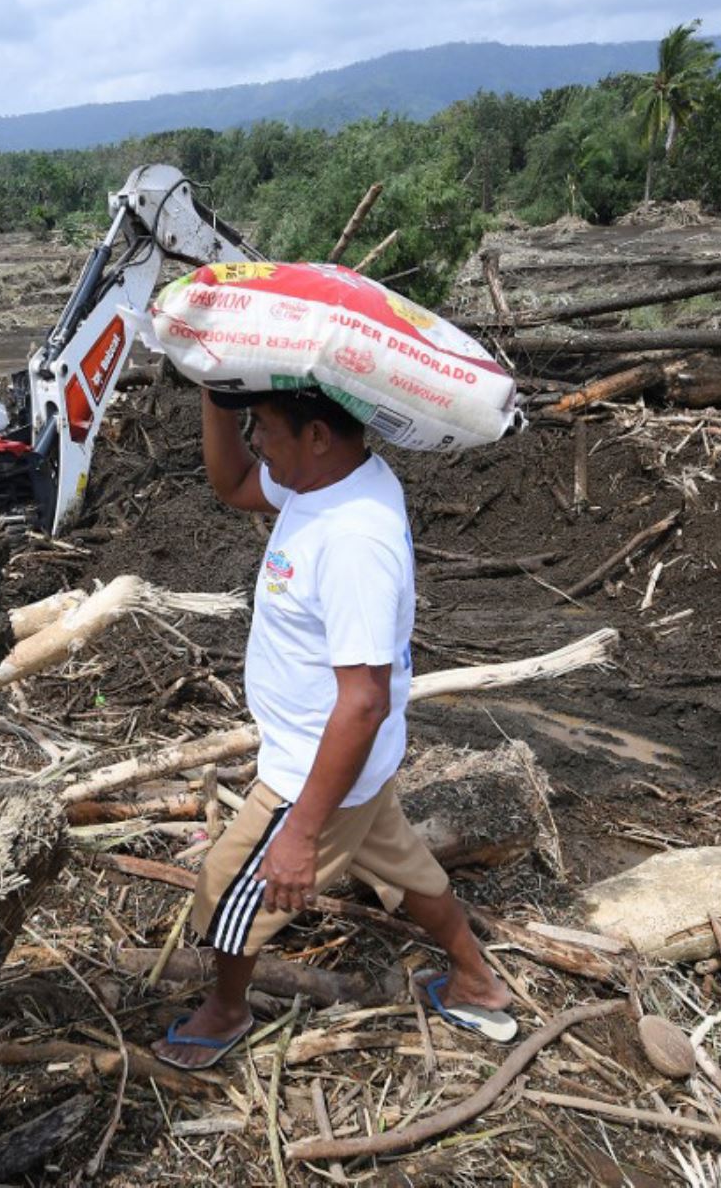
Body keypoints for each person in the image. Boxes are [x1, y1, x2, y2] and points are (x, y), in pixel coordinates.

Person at [151, 387, 516, 1071]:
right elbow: (231, 482)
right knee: (401, 865)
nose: (255, 440)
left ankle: (226, 1010)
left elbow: (363, 702)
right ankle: (476, 980)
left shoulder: (354, 540)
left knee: (229, 894)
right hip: (352, 763)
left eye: (262, 428)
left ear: (316, 435)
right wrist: (215, 394)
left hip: (316, 768)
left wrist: (301, 830)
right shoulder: (321, 482)